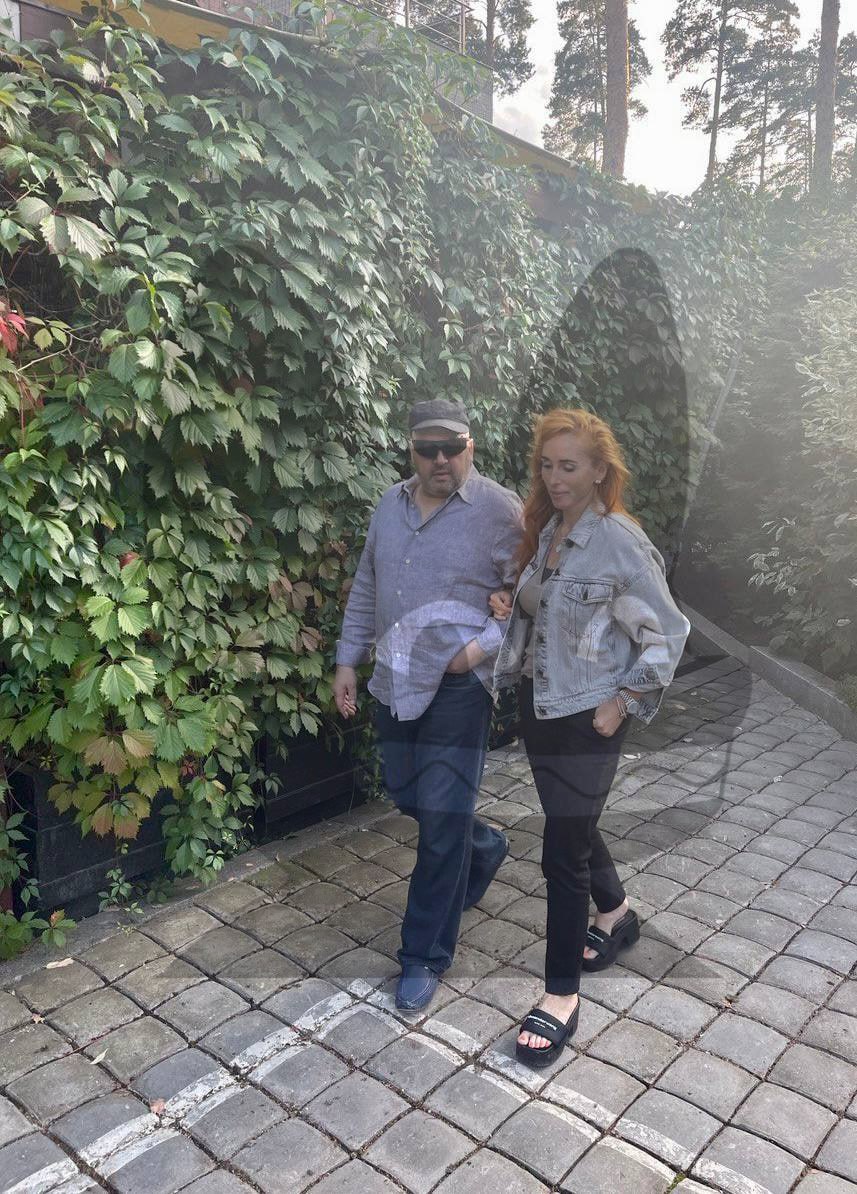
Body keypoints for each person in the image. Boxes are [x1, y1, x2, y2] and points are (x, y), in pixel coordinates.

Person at [490, 408, 690, 1067]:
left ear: (599, 470)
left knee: (560, 850)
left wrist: (624, 700)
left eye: (569, 466)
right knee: (570, 825)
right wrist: (514, 604)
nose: (555, 478)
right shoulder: (549, 529)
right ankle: (617, 913)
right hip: (539, 704)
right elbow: (546, 609)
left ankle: (560, 996)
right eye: (547, 465)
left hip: (589, 716)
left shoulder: (619, 542)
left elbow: (666, 632)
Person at [334, 398, 523, 1011]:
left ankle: (423, 955)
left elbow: (531, 598)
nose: (440, 460)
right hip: (394, 678)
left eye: (452, 447)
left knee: (441, 822)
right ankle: (483, 846)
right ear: (411, 451)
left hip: (458, 691)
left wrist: (478, 651)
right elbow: (368, 583)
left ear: (471, 446)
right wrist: (346, 660)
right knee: (407, 794)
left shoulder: (501, 512)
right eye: (427, 449)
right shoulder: (389, 506)